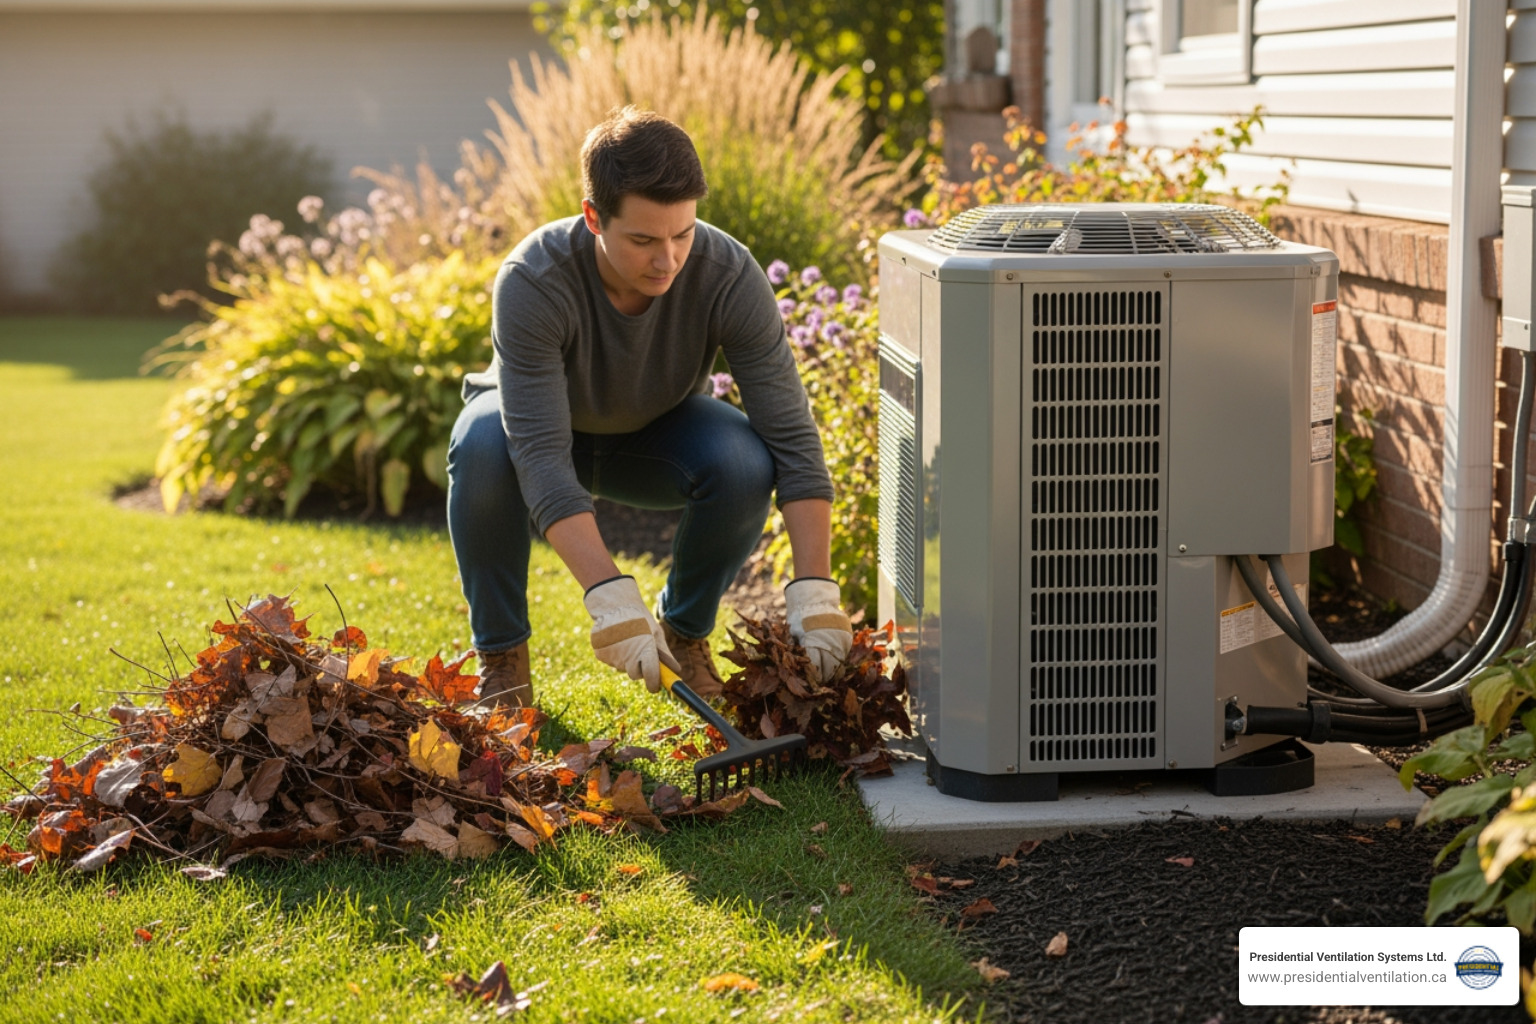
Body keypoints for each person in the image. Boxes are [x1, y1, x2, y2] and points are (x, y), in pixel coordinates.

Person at [446, 106, 854, 709]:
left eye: (682, 234)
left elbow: (790, 434)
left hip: (652, 436)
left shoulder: (728, 274)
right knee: (481, 445)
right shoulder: (534, 278)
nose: (667, 260)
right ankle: (503, 659)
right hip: (529, 437)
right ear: (594, 217)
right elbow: (538, 452)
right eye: (642, 239)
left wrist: (817, 592)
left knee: (744, 460)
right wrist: (609, 597)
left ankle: (684, 632)